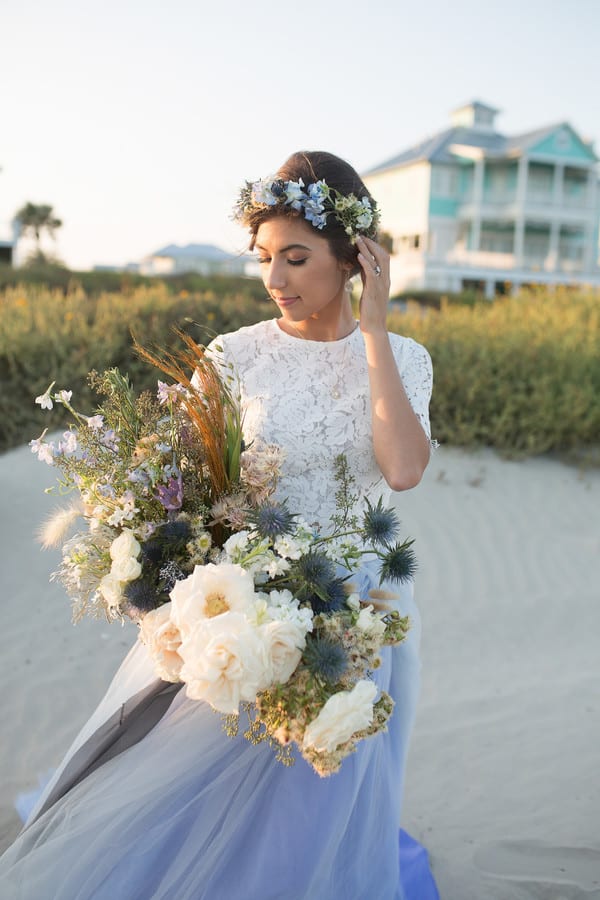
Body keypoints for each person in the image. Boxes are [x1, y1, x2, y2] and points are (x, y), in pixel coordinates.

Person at [0, 150, 439, 899]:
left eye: (297, 258)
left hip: (354, 618)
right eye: (265, 259)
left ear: (354, 256)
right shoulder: (233, 356)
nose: (275, 281)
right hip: (243, 605)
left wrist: (372, 332)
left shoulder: (402, 356)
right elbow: (181, 481)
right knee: (186, 786)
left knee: (315, 801)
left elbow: (401, 469)